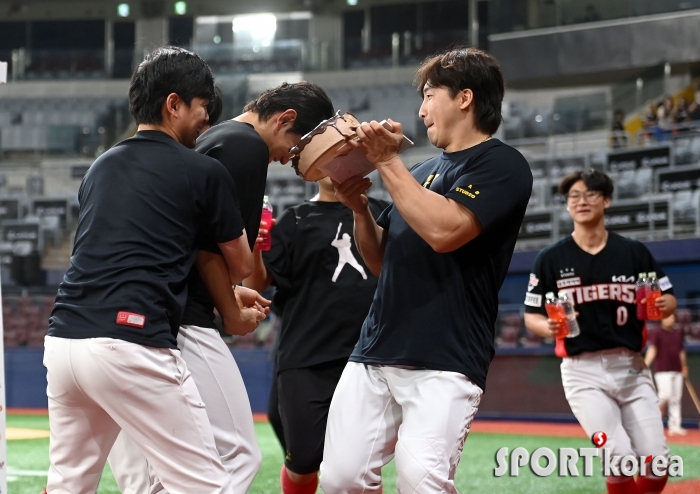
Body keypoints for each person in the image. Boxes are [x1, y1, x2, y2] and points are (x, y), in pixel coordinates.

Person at [319, 47, 533, 492]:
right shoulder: (419, 170)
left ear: (465, 98)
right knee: (340, 479)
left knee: (422, 482)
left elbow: (445, 231)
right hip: (376, 349)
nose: (421, 110)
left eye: (429, 95)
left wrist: (386, 162)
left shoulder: (503, 164)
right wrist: (359, 208)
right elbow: (380, 260)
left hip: (447, 357)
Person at [108, 81, 335, 494]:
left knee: (147, 476)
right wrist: (228, 309)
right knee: (236, 455)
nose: (291, 159)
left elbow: (187, 233)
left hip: (134, 313)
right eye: (298, 145)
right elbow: (205, 243)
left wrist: (228, 294)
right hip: (182, 318)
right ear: (285, 119)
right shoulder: (244, 146)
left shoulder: (219, 138)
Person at [44, 46, 254, 494]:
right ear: (173, 104)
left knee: (69, 486)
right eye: (202, 109)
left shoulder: (99, 167)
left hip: (64, 341)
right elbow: (242, 264)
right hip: (131, 341)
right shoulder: (203, 170)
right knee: (207, 485)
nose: (206, 123)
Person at [523, 169, 677, 494]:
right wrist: (548, 327)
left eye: (591, 194)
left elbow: (668, 297)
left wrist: (664, 306)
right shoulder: (550, 258)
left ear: (606, 201)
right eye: (574, 196)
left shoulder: (634, 252)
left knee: (658, 462)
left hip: (631, 368)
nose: (581, 201)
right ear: (567, 206)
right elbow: (531, 316)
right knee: (617, 455)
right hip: (582, 374)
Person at [244, 177, 388, 494]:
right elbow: (257, 284)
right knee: (304, 460)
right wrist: (256, 245)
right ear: (311, 165)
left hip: (372, 355)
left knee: (362, 465)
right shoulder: (294, 221)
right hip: (307, 355)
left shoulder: (383, 212)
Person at [645, 313, 688, 436]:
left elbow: (681, 351)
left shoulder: (678, 332)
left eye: (671, 317)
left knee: (676, 399)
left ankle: (674, 426)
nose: (669, 319)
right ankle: (651, 420)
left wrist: (684, 367)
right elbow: (652, 350)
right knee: (665, 396)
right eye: (666, 317)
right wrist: (645, 365)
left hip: (677, 370)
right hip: (662, 370)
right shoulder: (657, 332)